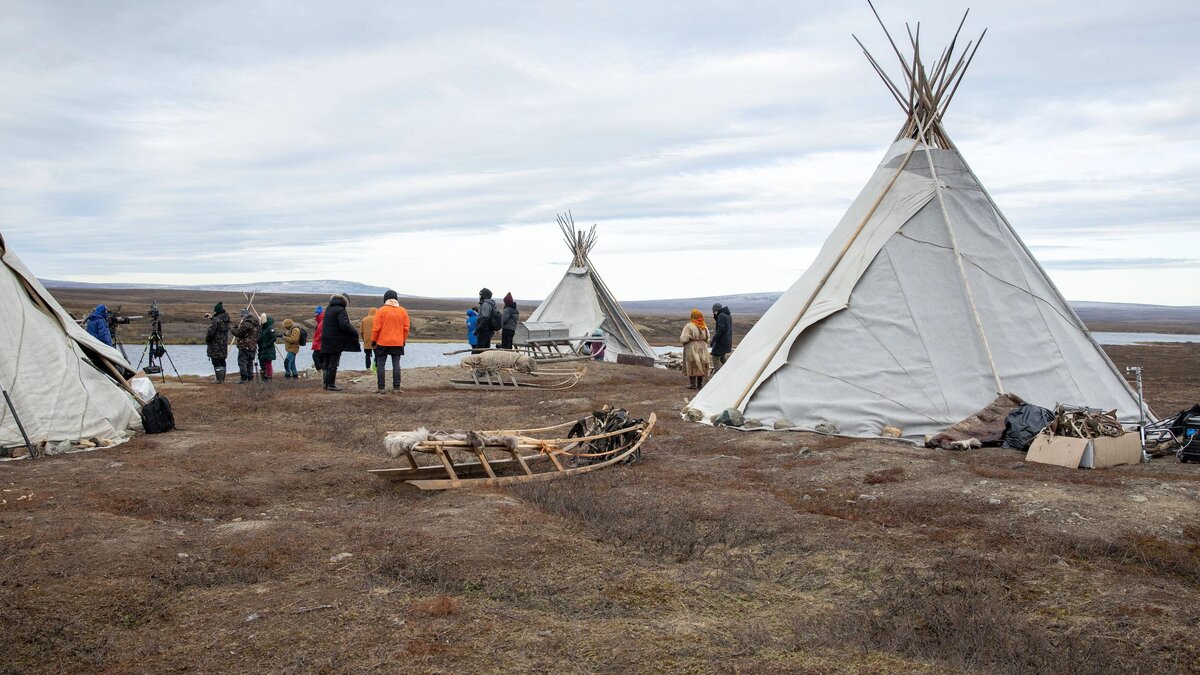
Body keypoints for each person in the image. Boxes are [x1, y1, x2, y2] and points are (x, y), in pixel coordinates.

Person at [372, 289, 411, 394]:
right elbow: (406, 328)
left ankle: (381, 388)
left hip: (382, 342)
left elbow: (376, 328)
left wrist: (373, 340)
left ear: (385, 298)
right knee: (396, 364)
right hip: (397, 342)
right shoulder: (403, 311)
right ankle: (396, 388)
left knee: (381, 365)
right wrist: (403, 340)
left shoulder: (381, 311)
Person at [319, 294, 360, 391]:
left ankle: (326, 384)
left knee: (327, 362)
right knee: (333, 363)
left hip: (326, 339)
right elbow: (344, 324)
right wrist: (354, 331)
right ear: (345, 301)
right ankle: (331, 384)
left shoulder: (329, 308)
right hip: (335, 340)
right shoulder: (341, 310)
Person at [680, 309, 712, 390]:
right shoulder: (704, 326)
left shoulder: (689, 326)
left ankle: (693, 384)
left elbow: (684, 338)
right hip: (703, 346)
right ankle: (700, 384)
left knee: (692, 363)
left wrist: (684, 342)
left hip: (692, 346)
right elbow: (708, 338)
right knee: (701, 363)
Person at [230, 309, 261, 384]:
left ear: (243, 316)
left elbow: (238, 333)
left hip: (244, 346)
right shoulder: (256, 324)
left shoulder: (245, 323)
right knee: (250, 362)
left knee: (242, 362)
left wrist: (232, 329)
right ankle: (250, 378)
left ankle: (244, 378)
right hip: (253, 346)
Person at [205, 302, 232, 383]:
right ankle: (222, 378)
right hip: (223, 344)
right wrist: (212, 317)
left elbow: (211, 332)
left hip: (215, 344)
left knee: (216, 361)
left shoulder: (216, 320)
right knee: (222, 360)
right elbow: (220, 323)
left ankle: (219, 379)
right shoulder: (226, 319)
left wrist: (207, 339)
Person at [710, 303, 734, 372]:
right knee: (722, 356)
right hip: (727, 340)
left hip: (721, 341)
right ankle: (729, 371)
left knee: (715, 356)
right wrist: (716, 317)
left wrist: (713, 340)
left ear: (716, 310)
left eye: (713, 311)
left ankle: (717, 375)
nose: (713, 312)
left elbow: (720, 330)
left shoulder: (721, 316)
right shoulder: (728, 315)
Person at [258, 314, 277, 381]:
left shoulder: (269, 328)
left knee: (268, 363)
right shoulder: (264, 329)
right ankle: (267, 375)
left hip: (268, 349)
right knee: (266, 363)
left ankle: (269, 376)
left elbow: (274, 338)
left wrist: (267, 344)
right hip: (264, 348)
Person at [311, 306, 325, 372]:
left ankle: (321, 370)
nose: (315, 314)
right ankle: (323, 371)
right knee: (320, 357)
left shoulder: (322, 322)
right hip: (320, 343)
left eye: (316, 313)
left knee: (315, 356)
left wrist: (317, 339)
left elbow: (323, 332)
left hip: (320, 343)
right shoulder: (320, 321)